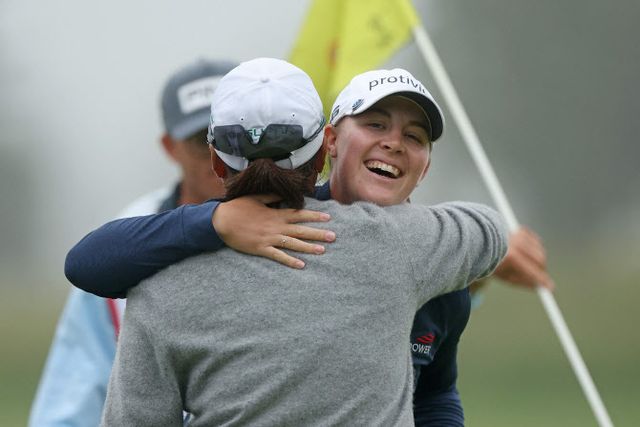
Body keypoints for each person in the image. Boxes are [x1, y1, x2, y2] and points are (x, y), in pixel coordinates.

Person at [65, 67, 550, 425]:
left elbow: (435, 393)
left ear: (216, 160)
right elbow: (487, 229)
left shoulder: (159, 283)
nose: (394, 143)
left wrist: (212, 221)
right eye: (375, 125)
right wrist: (216, 220)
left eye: (414, 136)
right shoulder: (412, 246)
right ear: (327, 146)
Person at [29, 58, 238, 427]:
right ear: (170, 147)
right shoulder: (117, 250)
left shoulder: (301, 221)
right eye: (200, 141)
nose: (218, 155)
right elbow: (70, 405)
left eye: (230, 136)